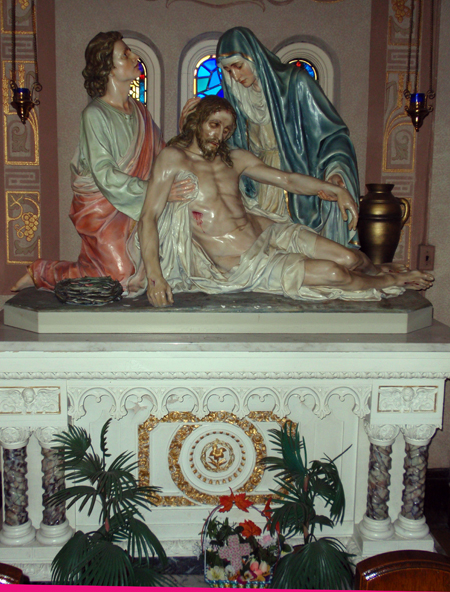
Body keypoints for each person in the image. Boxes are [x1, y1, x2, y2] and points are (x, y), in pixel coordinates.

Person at [138, 97, 433, 308]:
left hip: (270, 232)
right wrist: (155, 278)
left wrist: (332, 190)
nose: (220, 135)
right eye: (214, 125)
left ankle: (380, 272)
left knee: (351, 258)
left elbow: (288, 180)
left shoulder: (235, 158)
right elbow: (148, 217)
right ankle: (392, 281)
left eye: (227, 130)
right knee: (333, 273)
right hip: (245, 263)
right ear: (197, 122)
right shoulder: (174, 159)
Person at [11, 31, 190, 296]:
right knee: (116, 276)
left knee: (139, 269)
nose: (134, 57)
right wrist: (155, 190)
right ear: (108, 68)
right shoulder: (95, 114)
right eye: (125, 54)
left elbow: (161, 155)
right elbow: (104, 175)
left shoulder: (141, 112)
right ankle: (43, 272)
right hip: (102, 206)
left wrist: (187, 130)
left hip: (135, 202)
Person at [216, 27, 360, 248]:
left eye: (238, 66)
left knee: (297, 251)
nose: (235, 76)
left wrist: (335, 173)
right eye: (227, 70)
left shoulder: (295, 83)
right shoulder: (237, 99)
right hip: (256, 182)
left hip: (295, 182)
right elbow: (221, 147)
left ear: (253, 58)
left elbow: (332, 135)